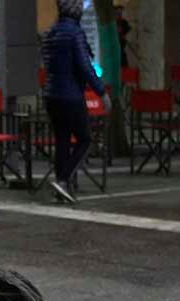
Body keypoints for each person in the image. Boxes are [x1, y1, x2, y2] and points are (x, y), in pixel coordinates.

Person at [42, 0, 111, 204]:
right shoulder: (74, 33)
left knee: (62, 140)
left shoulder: (50, 33)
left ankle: (60, 186)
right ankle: (62, 181)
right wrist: (102, 93)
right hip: (71, 95)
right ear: (75, 10)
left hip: (51, 94)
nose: (81, 9)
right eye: (79, 6)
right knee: (85, 139)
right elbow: (84, 66)